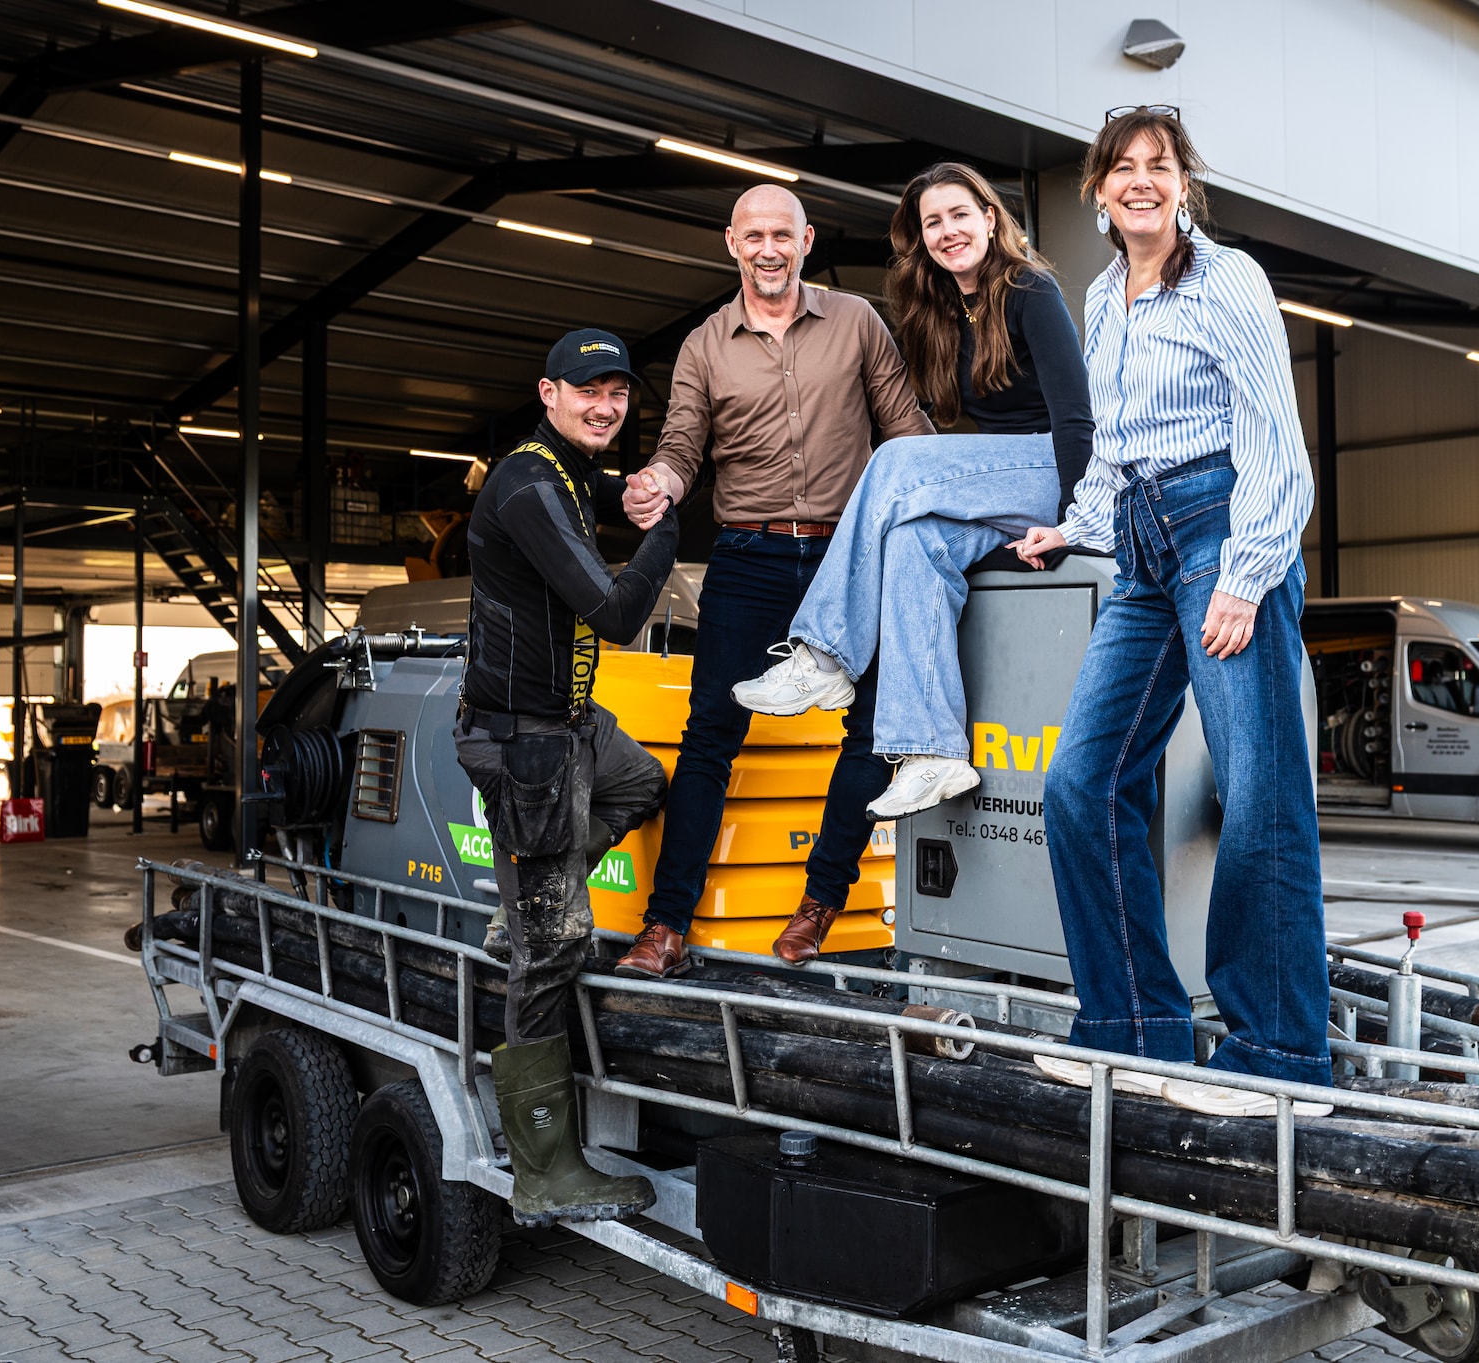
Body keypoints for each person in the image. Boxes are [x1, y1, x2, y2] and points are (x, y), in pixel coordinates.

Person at [1011, 107, 1329, 1088]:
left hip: (1219, 529)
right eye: (1122, 168)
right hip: (1145, 549)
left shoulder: (1225, 281)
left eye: (1158, 166)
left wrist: (1247, 569)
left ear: (1182, 185)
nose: (1139, 181)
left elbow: (1275, 437)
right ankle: (1131, 1024)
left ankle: (1277, 1050)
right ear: (1096, 191)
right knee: (1081, 783)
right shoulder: (1102, 298)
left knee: (1259, 789)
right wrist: (1077, 525)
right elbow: (1112, 449)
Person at [613, 184, 935, 978]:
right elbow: (683, 445)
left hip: (851, 558)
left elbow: (907, 435)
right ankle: (665, 925)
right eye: (753, 234)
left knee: (872, 733)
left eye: (781, 234)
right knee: (710, 739)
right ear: (731, 242)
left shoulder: (857, 322)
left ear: (806, 239)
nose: (768, 248)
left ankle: (821, 899)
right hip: (749, 560)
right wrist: (657, 479)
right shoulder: (703, 346)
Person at [730, 164, 1094, 817]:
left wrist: (1075, 524)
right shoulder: (944, 311)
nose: (948, 231)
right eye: (933, 222)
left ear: (989, 218)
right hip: (1002, 482)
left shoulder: (1029, 290)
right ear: (921, 239)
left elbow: (1076, 418)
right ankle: (932, 752)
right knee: (914, 540)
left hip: (1056, 468)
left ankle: (825, 650)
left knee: (898, 463)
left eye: (960, 214)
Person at [454, 328, 678, 1225]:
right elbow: (618, 612)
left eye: (619, 391)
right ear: (548, 393)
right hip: (527, 745)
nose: (606, 404)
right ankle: (546, 1167)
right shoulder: (528, 482)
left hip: (575, 726)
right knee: (554, 956)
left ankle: (527, 897)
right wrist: (663, 531)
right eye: (589, 389)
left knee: (641, 784)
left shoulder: (569, 478)